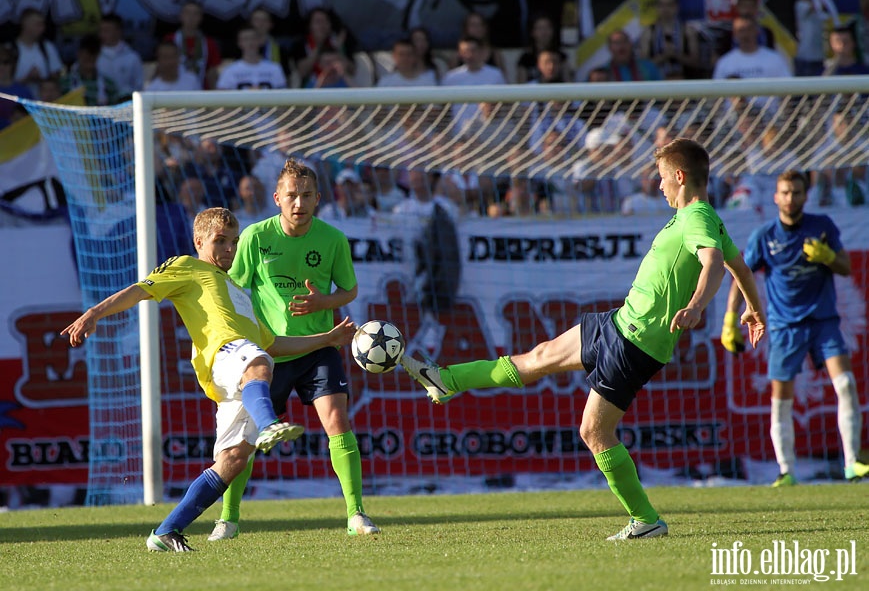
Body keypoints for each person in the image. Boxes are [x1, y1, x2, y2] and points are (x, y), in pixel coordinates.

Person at [400, 138, 767, 540]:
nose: (659, 186)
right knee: (538, 357)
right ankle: (445, 380)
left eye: (662, 178)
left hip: (636, 344)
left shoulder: (697, 216)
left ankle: (645, 520)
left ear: (680, 176)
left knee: (594, 432)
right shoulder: (699, 217)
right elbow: (741, 268)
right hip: (618, 322)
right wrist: (753, 307)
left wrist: (697, 305)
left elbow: (714, 262)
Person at [61, 207, 356, 551]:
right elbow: (140, 290)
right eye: (220, 241)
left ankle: (165, 532)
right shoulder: (187, 266)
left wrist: (327, 338)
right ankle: (269, 424)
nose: (229, 249)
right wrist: (95, 313)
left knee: (232, 461)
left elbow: (273, 343)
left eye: (233, 242)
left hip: (240, 372)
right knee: (259, 364)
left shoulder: (238, 292)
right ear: (199, 241)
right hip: (223, 357)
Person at [209, 159, 380, 541]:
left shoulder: (333, 239)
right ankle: (229, 518)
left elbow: (349, 291)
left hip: (319, 347)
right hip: (268, 356)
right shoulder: (254, 237)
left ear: (318, 198)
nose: (298, 203)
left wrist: (325, 303)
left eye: (306, 196)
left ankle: (356, 514)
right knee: (245, 440)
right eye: (291, 196)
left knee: (337, 420)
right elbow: (235, 289)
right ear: (277, 199)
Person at [720, 170, 869, 485]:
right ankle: (786, 471)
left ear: (805, 195)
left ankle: (852, 462)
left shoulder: (822, 226)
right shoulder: (765, 236)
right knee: (781, 398)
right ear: (776, 197)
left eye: (797, 193)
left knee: (845, 385)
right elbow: (741, 276)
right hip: (786, 326)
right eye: (785, 193)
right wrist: (730, 319)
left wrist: (828, 256)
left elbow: (845, 267)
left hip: (823, 320)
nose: (791, 198)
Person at [216, 26, 287, 90]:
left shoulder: (275, 68)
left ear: (260, 41)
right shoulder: (229, 70)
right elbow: (222, 99)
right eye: (245, 39)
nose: (250, 42)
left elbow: (283, 97)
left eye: (253, 38)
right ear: (239, 43)